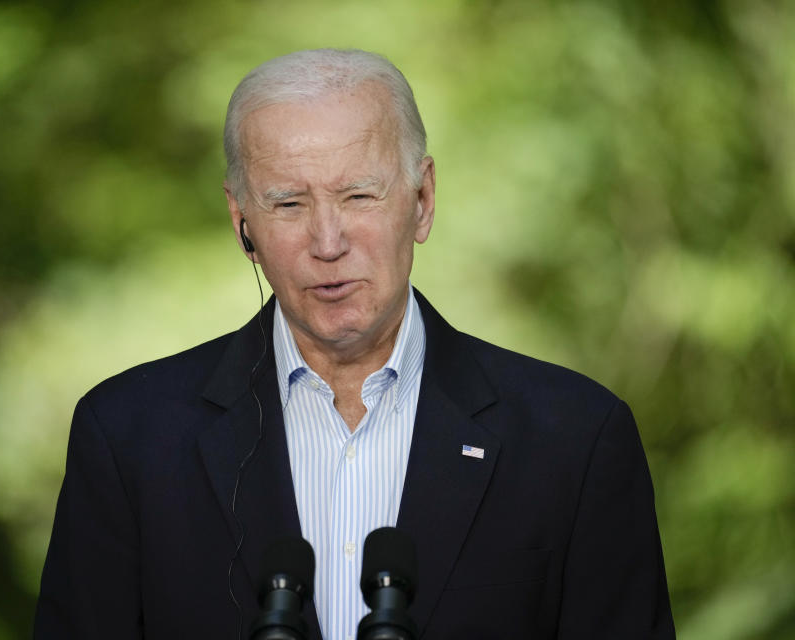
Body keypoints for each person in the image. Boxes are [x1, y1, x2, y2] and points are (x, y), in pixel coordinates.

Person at [34, 49, 676, 640]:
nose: (328, 241)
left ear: (422, 201)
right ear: (242, 224)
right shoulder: (129, 439)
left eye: (358, 195)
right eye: (288, 204)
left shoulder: (576, 439)